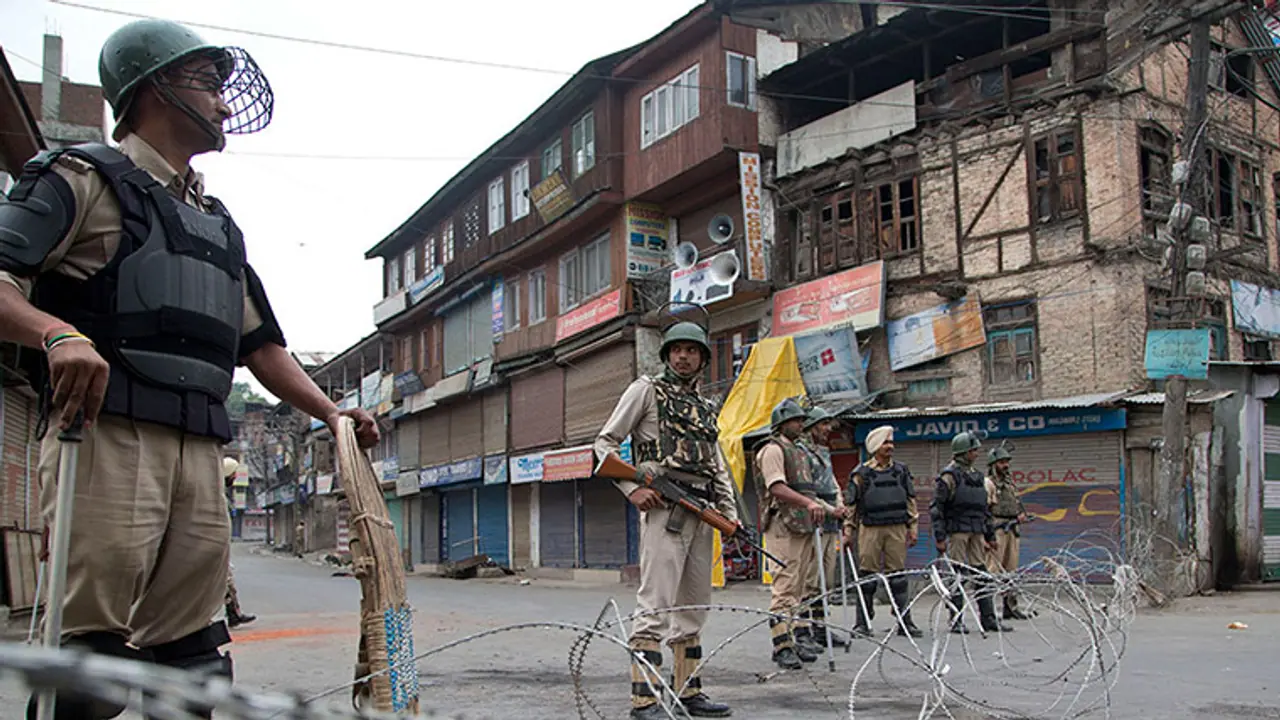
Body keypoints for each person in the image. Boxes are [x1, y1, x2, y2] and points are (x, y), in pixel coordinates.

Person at [0, 19, 379, 719]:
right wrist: (56, 334)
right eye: (209, 85)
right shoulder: (79, 181)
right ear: (153, 89)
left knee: (197, 660)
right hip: (106, 439)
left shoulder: (217, 224)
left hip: (201, 454)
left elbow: (261, 346)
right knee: (91, 659)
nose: (225, 105)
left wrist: (330, 414)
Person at [595, 320, 738, 719]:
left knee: (694, 605)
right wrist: (632, 489)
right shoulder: (646, 390)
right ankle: (644, 700)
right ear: (667, 354)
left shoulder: (706, 407)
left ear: (703, 358)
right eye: (677, 349)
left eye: (692, 351)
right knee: (655, 603)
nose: (683, 356)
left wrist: (728, 514)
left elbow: (716, 465)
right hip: (664, 510)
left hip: (701, 511)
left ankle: (688, 692)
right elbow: (604, 444)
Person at [755, 398, 844, 670]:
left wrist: (831, 510)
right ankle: (781, 646)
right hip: (783, 525)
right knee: (784, 587)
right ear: (782, 422)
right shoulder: (772, 450)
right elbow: (777, 487)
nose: (801, 425)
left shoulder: (800, 452)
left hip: (804, 525)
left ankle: (793, 638)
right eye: (796, 420)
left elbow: (810, 492)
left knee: (799, 588)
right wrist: (809, 504)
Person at [930, 432, 1011, 635]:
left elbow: (984, 511)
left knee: (982, 575)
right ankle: (956, 619)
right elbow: (936, 509)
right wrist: (940, 537)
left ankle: (988, 619)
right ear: (963, 452)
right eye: (973, 450)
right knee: (957, 575)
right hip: (957, 531)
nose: (976, 454)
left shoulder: (977, 476)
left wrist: (990, 536)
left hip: (976, 532)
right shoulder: (949, 477)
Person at [846, 426, 923, 638]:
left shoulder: (901, 471)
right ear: (875, 446)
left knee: (898, 576)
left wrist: (913, 528)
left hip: (896, 528)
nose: (890, 446)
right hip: (870, 528)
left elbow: (911, 501)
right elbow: (851, 507)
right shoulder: (861, 474)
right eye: (886, 443)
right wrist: (847, 532)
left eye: (891, 442)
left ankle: (905, 621)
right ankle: (862, 623)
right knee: (867, 577)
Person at [795, 406, 847, 649]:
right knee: (810, 579)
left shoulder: (824, 452)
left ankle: (820, 626)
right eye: (823, 424)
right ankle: (802, 628)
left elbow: (833, 482)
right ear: (811, 427)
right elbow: (808, 490)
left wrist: (840, 504)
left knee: (826, 577)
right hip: (814, 520)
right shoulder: (802, 453)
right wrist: (829, 509)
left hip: (830, 522)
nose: (827, 429)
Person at [985, 443, 1030, 620]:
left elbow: (1016, 504)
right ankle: (987, 611)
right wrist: (987, 536)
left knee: (1011, 571)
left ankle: (1010, 607)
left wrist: (1020, 514)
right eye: (1002, 462)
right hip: (997, 530)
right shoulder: (988, 483)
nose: (1006, 465)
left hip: (1012, 530)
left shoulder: (1010, 483)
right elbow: (985, 511)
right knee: (992, 571)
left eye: (1007, 462)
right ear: (993, 464)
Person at [221, 457, 256, 629]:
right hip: (215, 547)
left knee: (228, 583)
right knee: (223, 582)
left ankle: (234, 614)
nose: (234, 479)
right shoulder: (216, 493)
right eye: (233, 475)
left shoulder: (222, 493)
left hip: (221, 547)